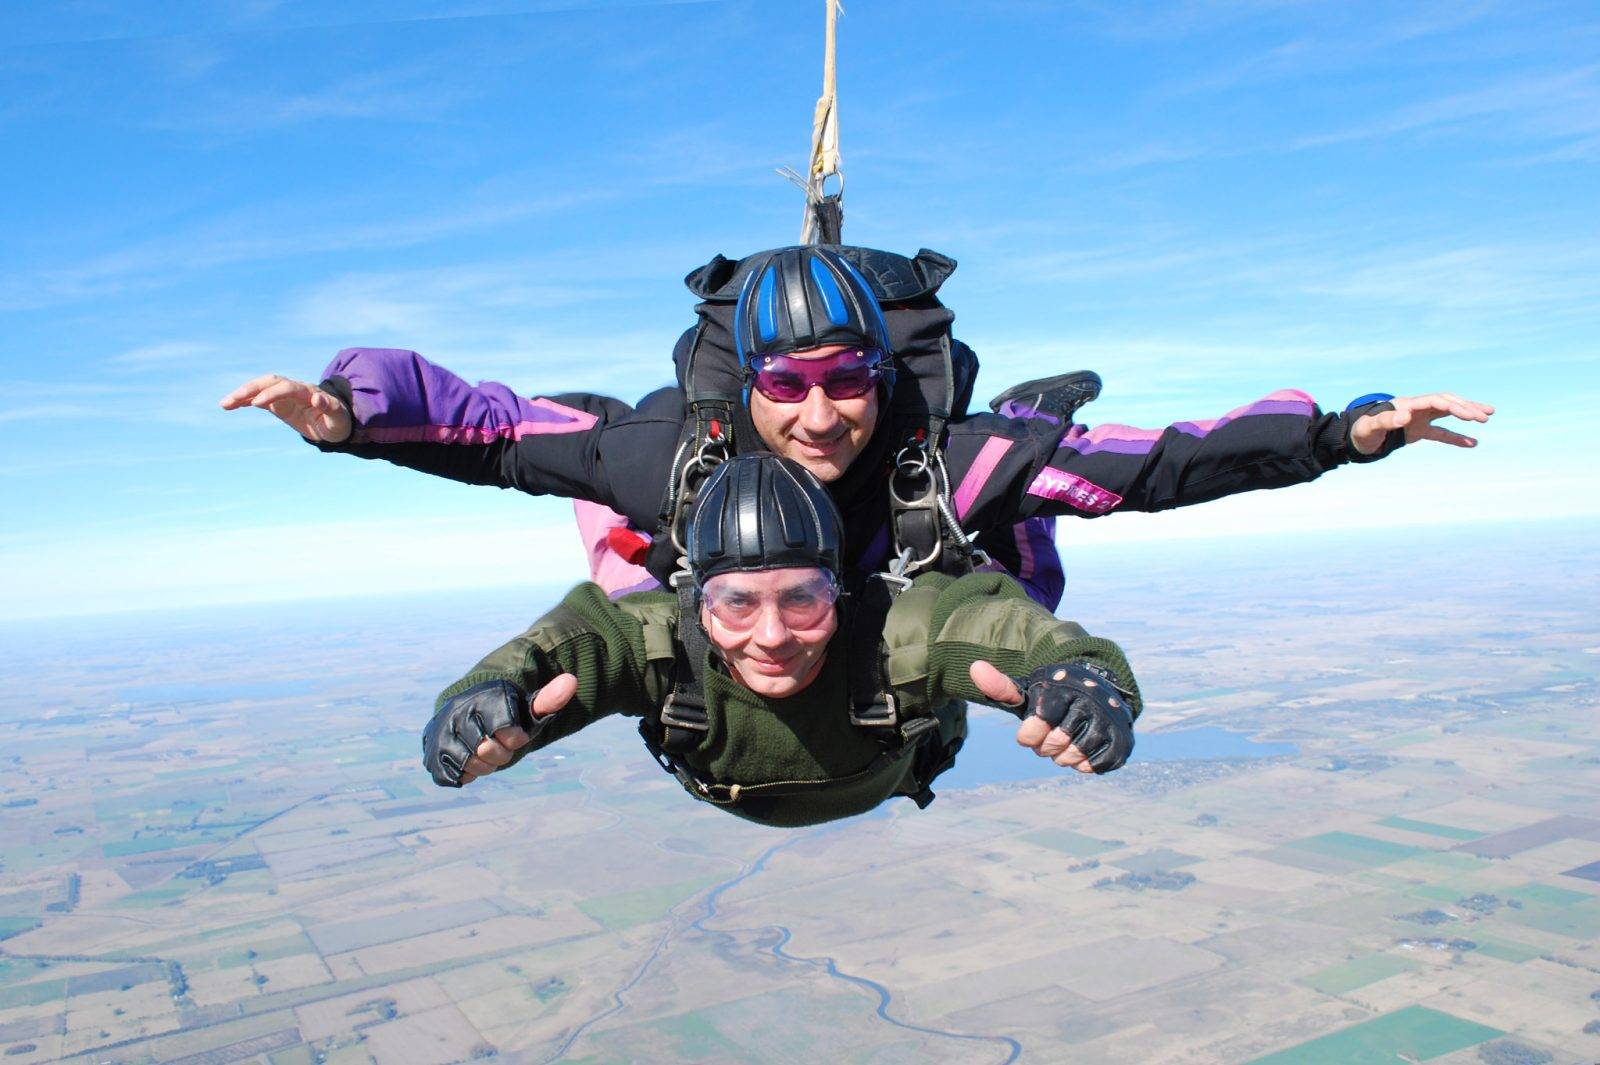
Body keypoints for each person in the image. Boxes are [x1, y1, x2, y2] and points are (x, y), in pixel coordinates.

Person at [220, 245, 1493, 610]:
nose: (822, 413)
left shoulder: (957, 462)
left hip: (921, 568)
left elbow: (1159, 466)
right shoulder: (675, 459)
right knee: (602, 493)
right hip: (729, 564)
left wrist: (1344, 434)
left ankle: (1036, 405)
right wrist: (349, 419)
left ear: (885, 374)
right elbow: (500, 436)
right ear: (746, 386)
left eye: (849, 379)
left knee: (1035, 477)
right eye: (787, 384)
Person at [420, 454, 1141, 828]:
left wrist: (1079, 678)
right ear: (697, 602)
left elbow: (983, 623)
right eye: (736, 603)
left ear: (841, 592)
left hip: (886, 761)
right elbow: (582, 640)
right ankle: (607, 481)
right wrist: (484, 701)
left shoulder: (891, 637)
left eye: (802, 598)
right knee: (618, 575)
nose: (771, 636)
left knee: (1018, 585)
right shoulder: (665, 639)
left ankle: (1024, 438)